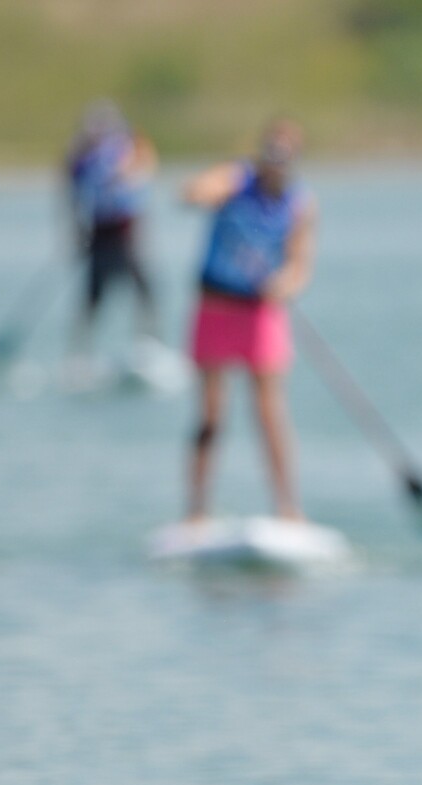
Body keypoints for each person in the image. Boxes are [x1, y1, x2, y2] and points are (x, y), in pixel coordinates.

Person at [180, 117, 317, 522]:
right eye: (270, 152)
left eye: (284, 156)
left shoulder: (299, 202)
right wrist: (210, 192)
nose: (276, 162)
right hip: (216, 306)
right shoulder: (238, 179)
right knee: (210, 415)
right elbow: (192, 193)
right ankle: (196, 510)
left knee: (270, 415)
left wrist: (284, 285)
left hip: (260, 312)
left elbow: (299, 266)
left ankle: (288, 508)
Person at [64, 100, 160, 355]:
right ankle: (81, 352)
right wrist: (76, 230)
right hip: (100, 228)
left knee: (141, 285)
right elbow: (72, 189)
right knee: (95, 292)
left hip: (126, 226)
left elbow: (144, 167)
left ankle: (149, 343)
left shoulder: (126, 148)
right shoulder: (83, 159)